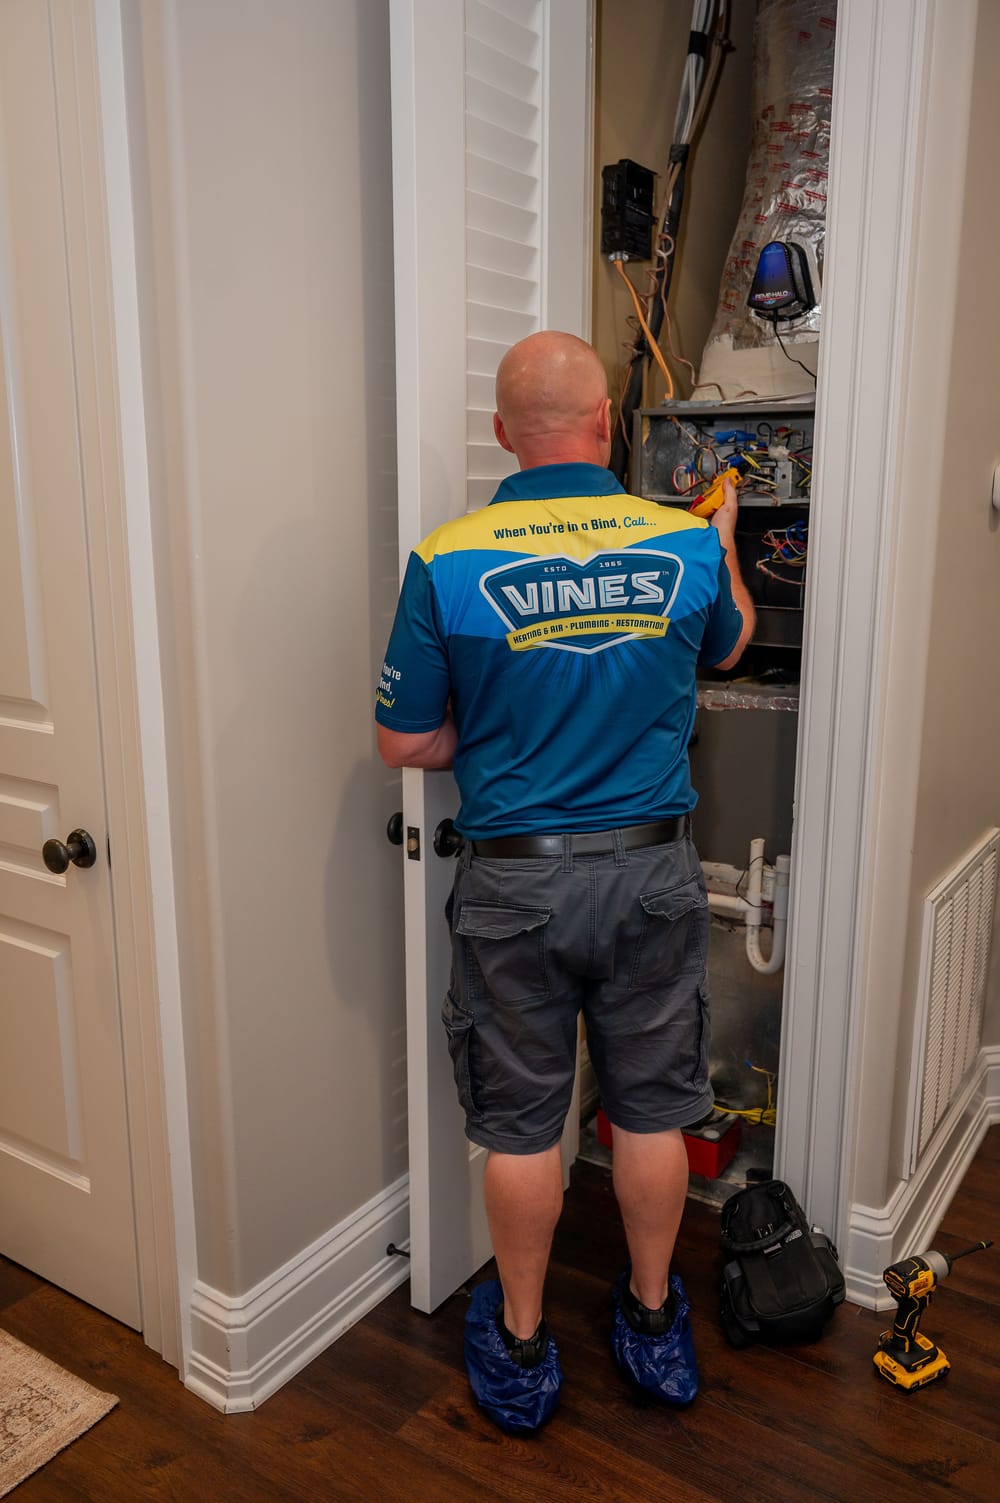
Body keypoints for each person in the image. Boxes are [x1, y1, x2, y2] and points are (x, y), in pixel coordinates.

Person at [375, 331, 754, 1433]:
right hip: (651, 875)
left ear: (503, 433)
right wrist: (724, 539)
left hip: (516, 886)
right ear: (604, 424)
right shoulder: (680, 543)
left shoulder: (446, 558)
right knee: (650, 1112)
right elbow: (729, 647)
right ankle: (651, 1320)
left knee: (523, 1127)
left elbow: (405, 742)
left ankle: (524, 1344)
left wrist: (497, 738)